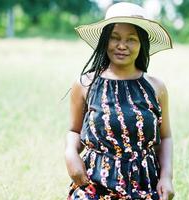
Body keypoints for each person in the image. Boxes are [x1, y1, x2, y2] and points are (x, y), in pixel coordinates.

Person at [65, 2, 174, 200]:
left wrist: (166, 177)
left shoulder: (156, 88)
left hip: (144, 185)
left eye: (131, 39)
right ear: (105, 41)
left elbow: (165, 137)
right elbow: (74, 130)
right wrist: (71, 154)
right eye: (114, 38)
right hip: (94, 185)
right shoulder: (86, 84)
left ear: (142, 44)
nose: (121, 45)